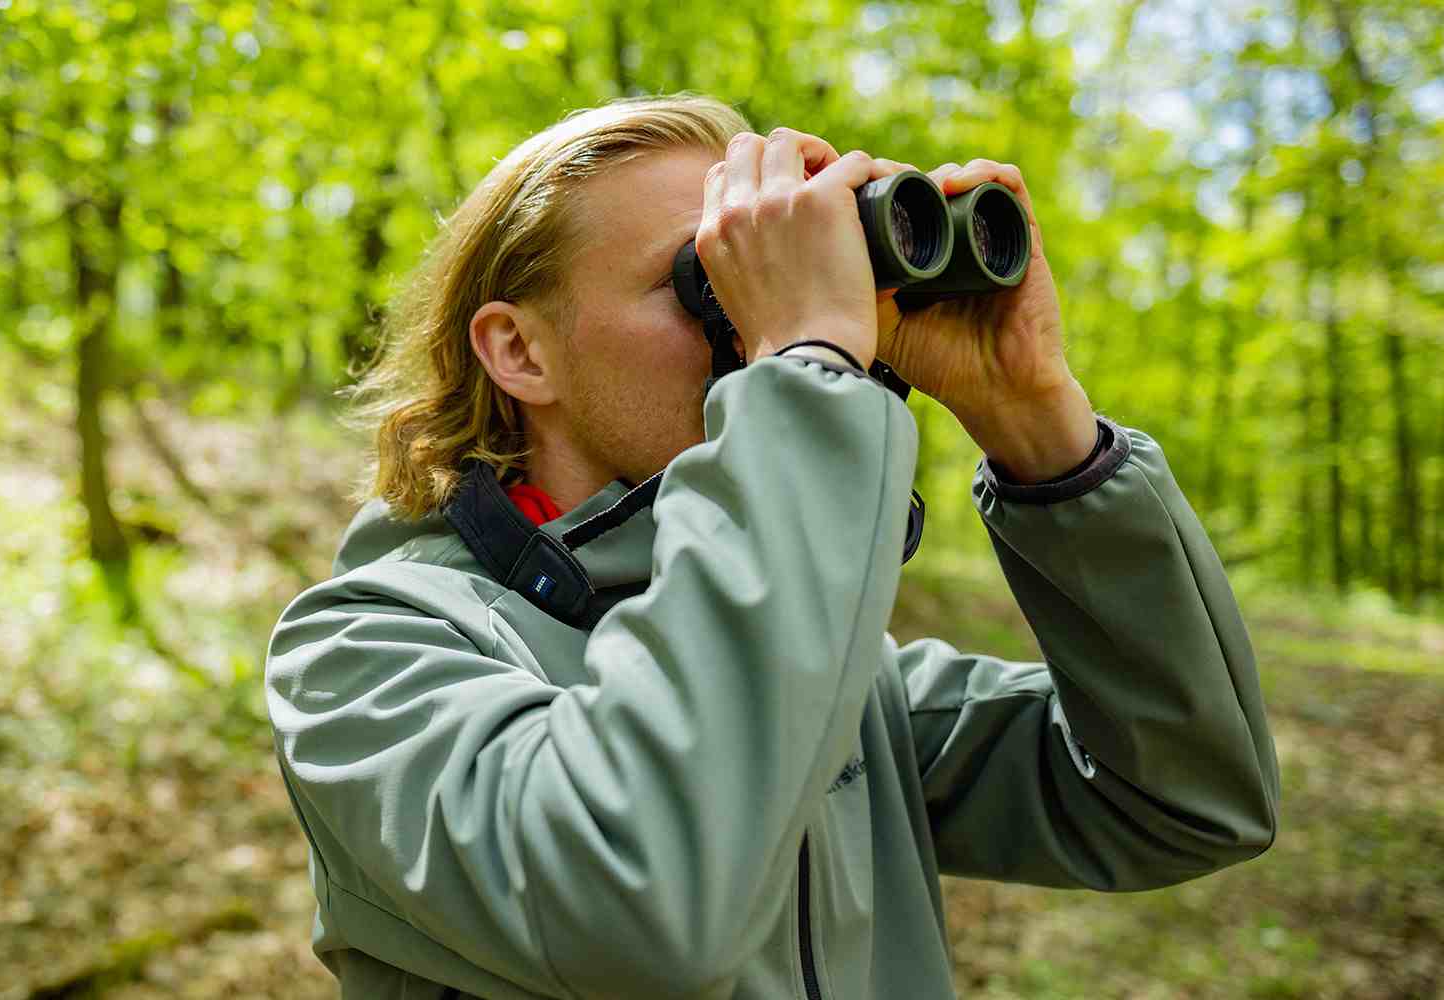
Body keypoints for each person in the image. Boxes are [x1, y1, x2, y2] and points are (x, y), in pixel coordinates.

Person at [264, 93, 1278, 999]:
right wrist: (805, 365)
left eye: (757, 266)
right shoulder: (364, 656)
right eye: (704, 277)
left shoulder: (838, 676)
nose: (753, 321)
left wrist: (1037, 423)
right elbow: (644, 902)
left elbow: (1185, 799)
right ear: (522, 349)